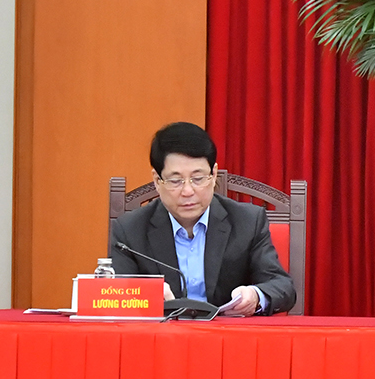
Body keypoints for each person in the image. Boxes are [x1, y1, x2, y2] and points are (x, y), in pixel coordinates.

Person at [108, 122, 296, 316]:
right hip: (162, 339)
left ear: (213, 175)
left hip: (229, 339)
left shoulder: (247, 221)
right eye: (175, 181)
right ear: (157, 181)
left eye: (198, 179)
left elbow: (282, 286)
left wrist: (255, 296)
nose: (188, 191)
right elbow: (115, 295)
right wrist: (144, 295)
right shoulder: (129, 230)